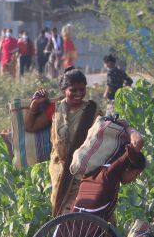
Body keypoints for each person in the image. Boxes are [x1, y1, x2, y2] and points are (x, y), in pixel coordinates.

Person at [24, 69, 144, 217]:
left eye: (82, 89)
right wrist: (35, 106)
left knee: (85, 209)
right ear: (63, 90)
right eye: (73, 90)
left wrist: (129, 130)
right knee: (62, 211)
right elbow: (30, 126)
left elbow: (104, 133)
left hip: (85, 169)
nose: (79, 94)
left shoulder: (92, 110)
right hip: (60, 170)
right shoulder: (55, 110)